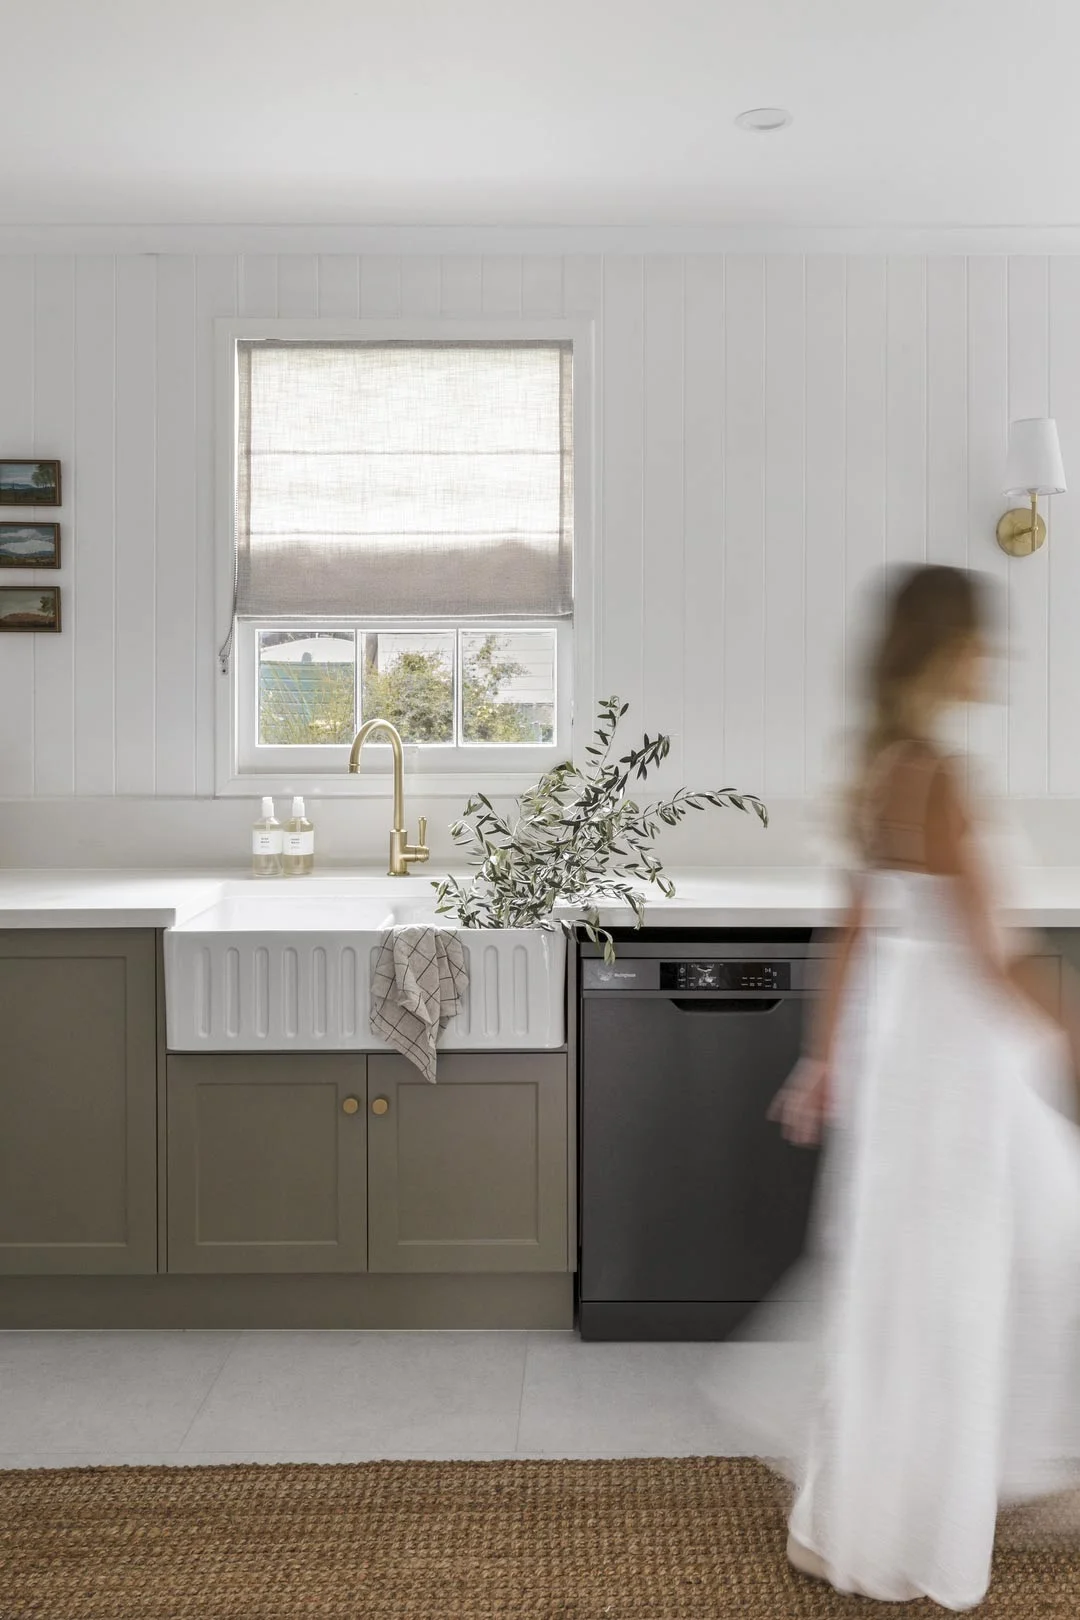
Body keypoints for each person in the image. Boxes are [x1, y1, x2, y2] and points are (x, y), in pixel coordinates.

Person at [739, 565, 1080, 1609]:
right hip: (962, 1068)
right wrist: (1067, 1029)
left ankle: (867, 1514)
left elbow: (849, 933)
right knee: (1010, 1261)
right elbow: (991, 954)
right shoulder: (941, 777)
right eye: (983, 642)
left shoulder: (879, 767)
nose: (997, 660)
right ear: (944, 651)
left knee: (912, 1281)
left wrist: (824, 1058)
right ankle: (984, 1494)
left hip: (908, 1063)